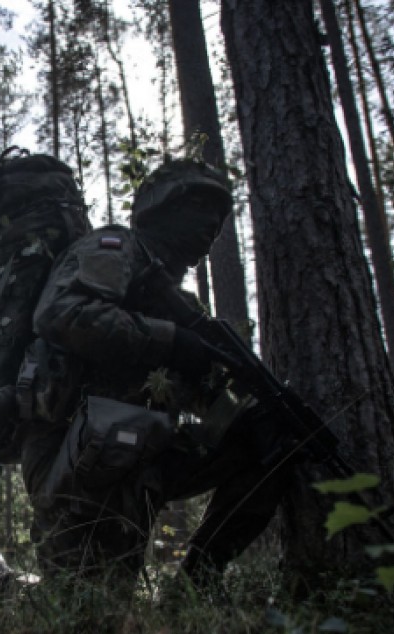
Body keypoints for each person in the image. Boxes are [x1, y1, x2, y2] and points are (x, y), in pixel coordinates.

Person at [21, 159, 304, 588]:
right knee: (88, 614)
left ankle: (196, 585)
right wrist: (168, 340)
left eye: (220, 216)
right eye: (201, 206)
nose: (213, 225)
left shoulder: (184, 305)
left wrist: (235, 394)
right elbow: (61, 313)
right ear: (163, 208)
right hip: (76, 459)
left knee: (270, 437)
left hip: (142, 455)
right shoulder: (114, 248)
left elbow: (199, 399)